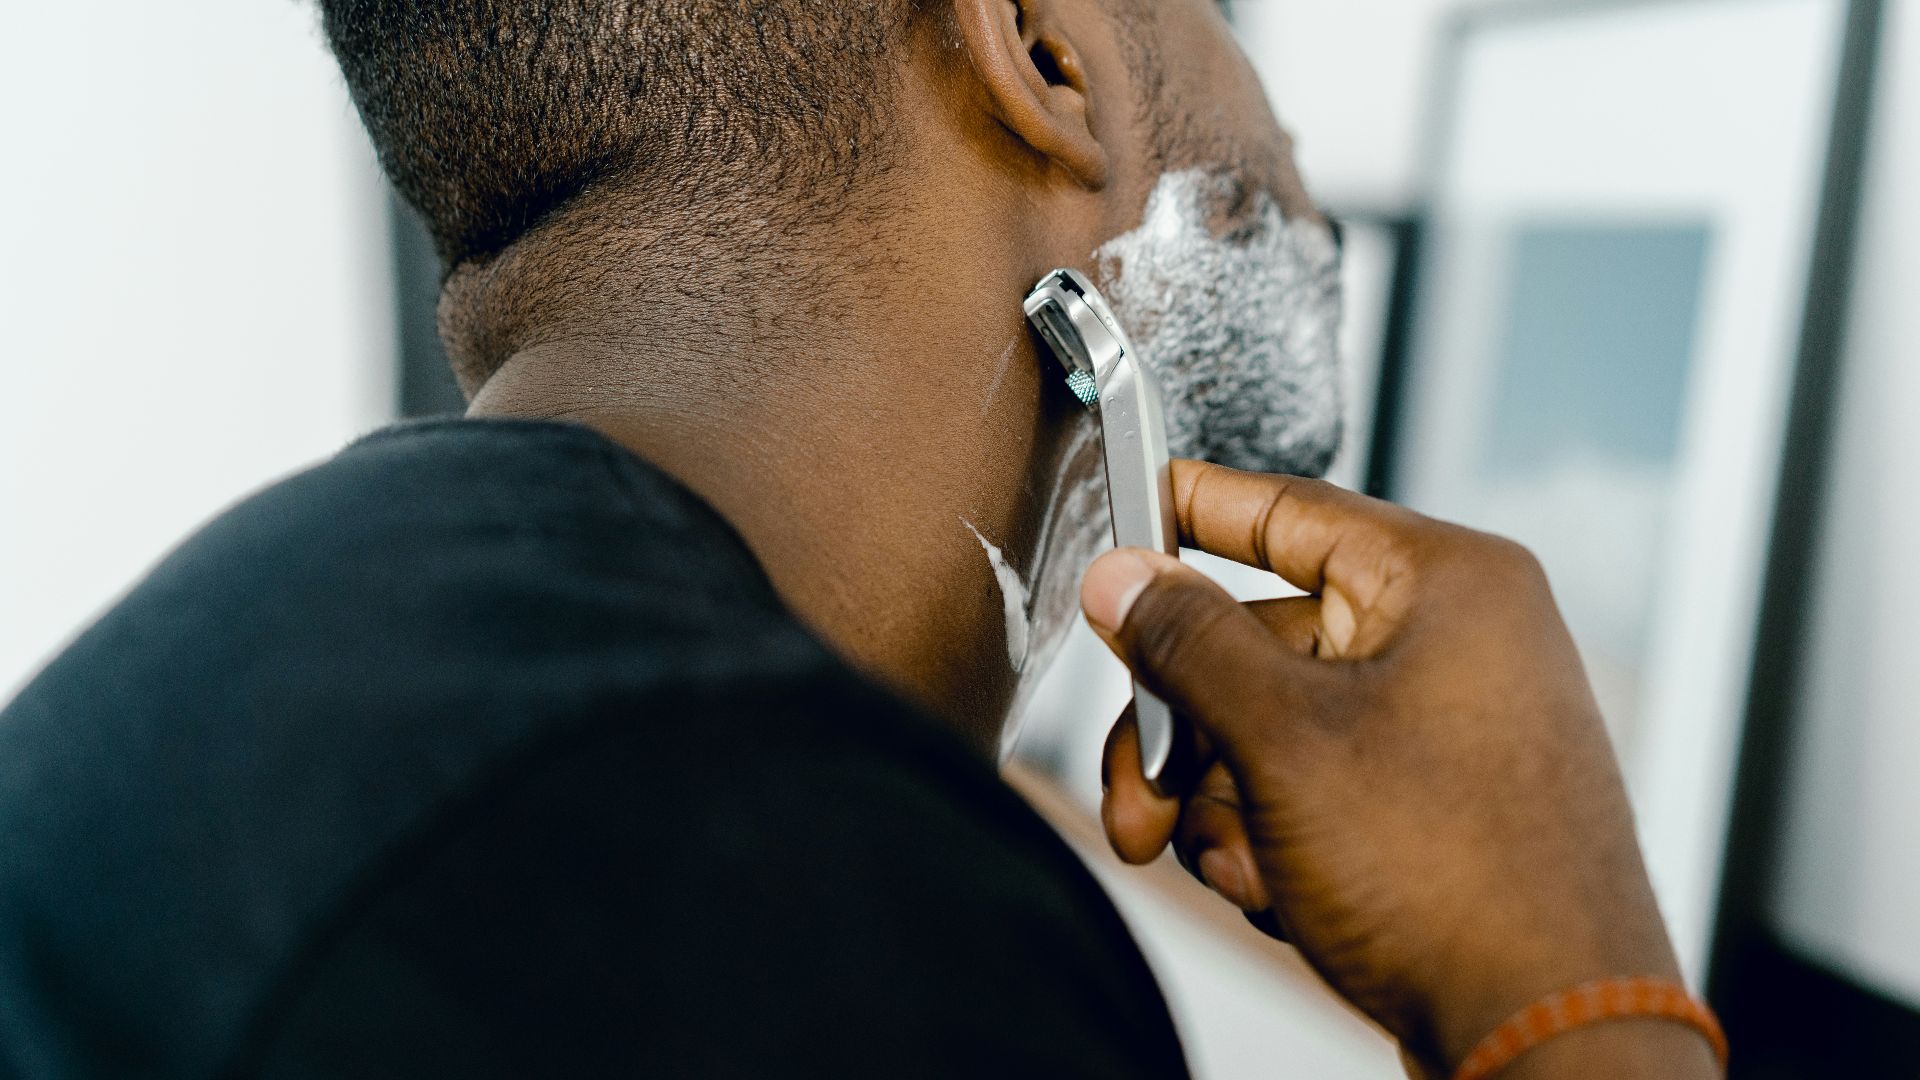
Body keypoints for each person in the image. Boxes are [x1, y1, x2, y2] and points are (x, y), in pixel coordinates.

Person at [0, 1, 1721, 1077]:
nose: (1281, 112)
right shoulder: (800, 918)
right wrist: (1578, 1000)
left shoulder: (301, 641)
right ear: (1046, 55)